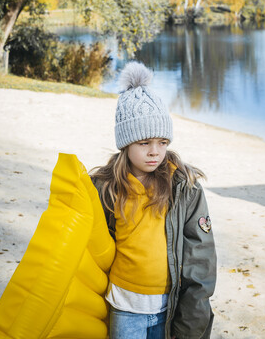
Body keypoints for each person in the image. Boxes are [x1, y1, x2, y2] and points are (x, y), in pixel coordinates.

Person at [91, 61, 217, 339]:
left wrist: (192, 316)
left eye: (162, 142)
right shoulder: (106, 187)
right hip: (123, 307)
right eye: (144, 143)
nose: (154, 152)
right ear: (126, 143)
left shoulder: (185, 187)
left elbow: (201, 254)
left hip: (167, 308)